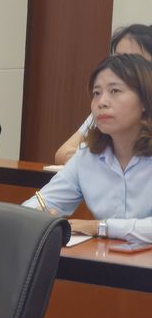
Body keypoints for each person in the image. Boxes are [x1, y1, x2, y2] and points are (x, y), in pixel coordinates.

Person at [24, 53, 152, 243]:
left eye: (115, 91)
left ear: (145, 101)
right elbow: (41, 203)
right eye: (96, 93)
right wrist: (37, 216)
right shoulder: (87, 156)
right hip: (106, 259)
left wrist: (100, 227)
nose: (102, 102)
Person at [54, 24, 152, 164]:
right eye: (117, 58)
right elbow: (63, 153)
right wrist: (98, 167)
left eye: (132, 59)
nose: (121, 66)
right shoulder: (107, 108)